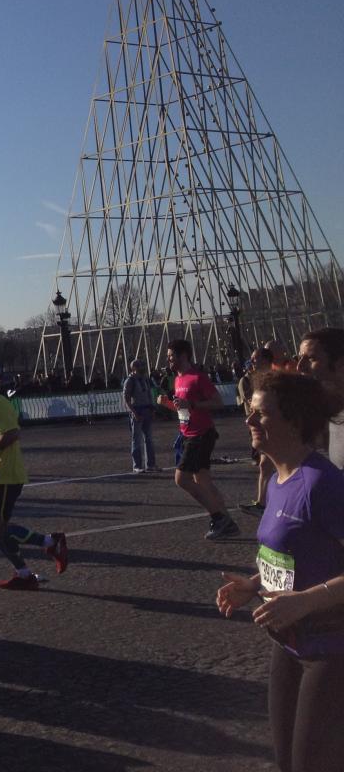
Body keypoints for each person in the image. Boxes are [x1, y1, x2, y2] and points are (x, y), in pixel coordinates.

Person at [216, 371, 344, 772]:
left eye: (260, 414)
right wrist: (254, 584)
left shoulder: (323, 484)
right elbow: (294, 553)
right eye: (249, 412)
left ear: (293, 420)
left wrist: (306, 601)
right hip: (287, 644)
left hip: (330, 650)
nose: (249, 422)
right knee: (286, 762)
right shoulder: (275, 480)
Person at [0, 365, 69, 589]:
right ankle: (23, 573)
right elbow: (1, 432)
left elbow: (12, 433)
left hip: (5, 474)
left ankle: (51, 542)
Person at [159, 339, 239, 539]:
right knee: (203, 481)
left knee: (181, 479)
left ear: (183, 355)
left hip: (200, 435)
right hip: (188, 434)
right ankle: (227, 522)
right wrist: (168, 403)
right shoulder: (178, 379)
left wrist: (192, 403)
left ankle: (218, 518)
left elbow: (218, 403)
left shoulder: (197, 377)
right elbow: (183, 409)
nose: (168, 360)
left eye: (171, 356)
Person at [295, 327, 344, 470]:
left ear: (341, 364)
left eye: (311, 358)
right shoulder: (328, 413)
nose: (299, 367)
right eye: (299, 358)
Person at [238, 347, 276, 514]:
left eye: (255, 358)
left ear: (267, 360)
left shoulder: (274, 379)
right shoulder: (254, 379)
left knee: (272, 464)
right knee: (264, 464)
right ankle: (262, 503)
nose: (252, 361)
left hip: (274, 425)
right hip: (260, 424)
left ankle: (267, 502)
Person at [122, 359, 158, 473]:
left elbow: (149, 394)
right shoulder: (130, 381)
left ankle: (151, 464)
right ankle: (137, 465)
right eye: (139, 367)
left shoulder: (145, 379)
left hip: (147, 410)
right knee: (136, 440)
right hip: (137, 411)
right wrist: (134, 413)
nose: (142, 369)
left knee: (149, 439)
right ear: (133, 369)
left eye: (142, 366)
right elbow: (126, 399)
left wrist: (152, 408)